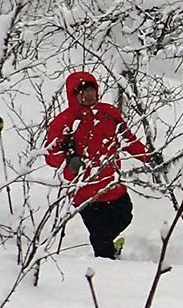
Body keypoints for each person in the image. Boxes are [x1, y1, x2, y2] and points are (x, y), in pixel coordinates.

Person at [44, 70, 152, 259]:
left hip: (112, 185)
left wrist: (148, 156)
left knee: (125, 217)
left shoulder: (108, 113)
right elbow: (50, 155)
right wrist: (68, 162)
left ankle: (109, 249)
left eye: (91, 89)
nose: (88, 95)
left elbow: (128, 140)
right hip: (85, 192)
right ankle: (108, 271)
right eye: (82, 91)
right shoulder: (64, 122)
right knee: (100, 238)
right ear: (73, 94)